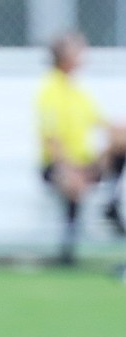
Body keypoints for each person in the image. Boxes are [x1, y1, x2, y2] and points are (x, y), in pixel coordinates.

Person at [38, 31, 126, 264]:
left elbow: (103, 123)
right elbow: (52, 140)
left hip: (83, 162)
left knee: (122, 142)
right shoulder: (50, 91)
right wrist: (69, 169)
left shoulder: (78, 92)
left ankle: (112, 202)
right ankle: (68, 249)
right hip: (58, 165)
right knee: (72, 183)